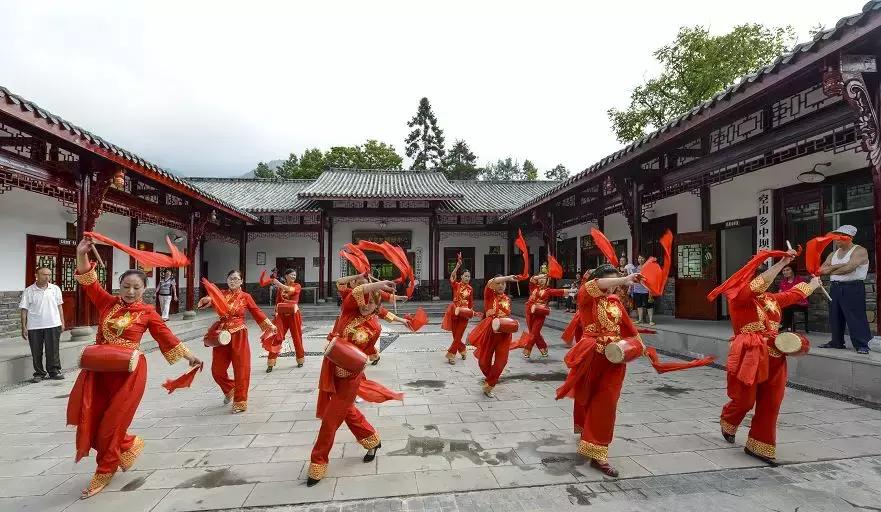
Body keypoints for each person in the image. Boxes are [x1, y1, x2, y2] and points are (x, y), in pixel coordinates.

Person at [68, 237, 201, 498]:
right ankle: (128, 445)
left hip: (129, 374)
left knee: (111, 426)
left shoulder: (148, 312)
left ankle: (104, 471)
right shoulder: (107, 303)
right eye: (126, 286)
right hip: (98, 372)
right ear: (119, 287)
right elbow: (88, 281)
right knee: (93, 422)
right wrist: (81, 253)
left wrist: (190, 356)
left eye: (136, 287)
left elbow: (167, 337)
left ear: (144, 289)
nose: (130, 292)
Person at [709, 248, 820, 465]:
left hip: (776, 357)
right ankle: (728, 420)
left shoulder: (771, 299)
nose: (762, 282)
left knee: (771, 403)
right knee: (745, 401)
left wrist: (813, 284)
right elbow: (759, 284)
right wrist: (781, 263)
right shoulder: (738, 298)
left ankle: (759, 445)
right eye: (756, 278)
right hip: (750, 356)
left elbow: (793, 295)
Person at [307, 280, 410, 486]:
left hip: (350, 377)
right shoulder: (349, 311)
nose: (365, 305)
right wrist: (379, 284)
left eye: (371, 303)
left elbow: (366, 354)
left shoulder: (375, 327)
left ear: (377, 305)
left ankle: (318, 462)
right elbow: (355, 290)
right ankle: (372, 440)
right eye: (363, 301)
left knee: (330, 420)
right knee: (347, 412)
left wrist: (360, 361)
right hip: (331, 368)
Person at [555, 265, 642, 477]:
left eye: (615, 282)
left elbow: (628, 327)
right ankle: (585, 429)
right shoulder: (586, 295)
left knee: (607, 401)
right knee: (587, 395)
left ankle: (598, 451)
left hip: (614, 358)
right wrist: (624, 280)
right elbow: (599, 285)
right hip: (592, 355)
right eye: (610, 282)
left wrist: (639, 345)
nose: (612, 287)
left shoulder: (615, 302)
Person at [198, 270, 276, 412]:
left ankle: (240, 401)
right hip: (221, 336)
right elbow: (211, 298)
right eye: (230, 278)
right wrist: (206, 299)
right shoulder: (221, 294)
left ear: (241, 281)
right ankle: (230, 389)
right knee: (217, 370)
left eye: (235, 279)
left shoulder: (245, 296)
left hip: (239, 334)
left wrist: (270, 325)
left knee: (241, 369)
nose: (232, 281)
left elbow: (256, 311)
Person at [818, 225, 872, 354]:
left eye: (840, 237)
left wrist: (831, 269)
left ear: (850, 237)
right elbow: (821, 270)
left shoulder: (860, 250)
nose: (837, 239)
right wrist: (840, 265)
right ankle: (836, 342)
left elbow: (849, 268)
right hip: (835, 287)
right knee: (835, 315)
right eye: (836, 236)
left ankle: (862, 344)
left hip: (852, 286)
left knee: (855, 315)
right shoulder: (833, 254)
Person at [467, 274, 520, 397]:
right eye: (498, 283)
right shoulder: (489, 295)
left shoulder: (507, 299)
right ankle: (491, 377)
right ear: (493, 286)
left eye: (503, 284)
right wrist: (507, 278)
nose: (501, 285)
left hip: (505, 334)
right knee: (483, 362)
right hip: (490, 332)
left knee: (502, 362)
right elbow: (491, 281)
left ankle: (489, 385)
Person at [19, 266, 65, 382]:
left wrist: (62, 322)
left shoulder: (55, 289)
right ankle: (39, 373)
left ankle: (54, 371)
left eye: (49, 275)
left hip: (53, 324)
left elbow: (60, 307)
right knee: (36, 351)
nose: (47, 277)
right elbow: (24, 309)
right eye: (44, 274)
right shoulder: (29, 291)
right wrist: (23, 326)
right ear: (37, 276)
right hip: (34, 325)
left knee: (53, 350)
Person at [513, 265, 567, 359]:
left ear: (547, 281)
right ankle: (543, 348)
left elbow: (560, 291)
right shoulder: (533, 287)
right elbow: (532, 279)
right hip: (529, 311)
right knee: (533, 332)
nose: (541, 280)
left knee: (534, 332)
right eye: (540, 278)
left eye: (544, 279)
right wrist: (542, 275)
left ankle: (528, 349)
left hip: (540, 312)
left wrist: (573, 290)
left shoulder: (548, 291)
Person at [267, 269, 305, 371]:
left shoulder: (297, 286)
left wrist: (278, 283)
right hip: (282, 316)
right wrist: (276, 313)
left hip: (294, 315)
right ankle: (271, 362)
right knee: (277, 338)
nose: (293, 277)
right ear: (286, 276)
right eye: (291, 275)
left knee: (297, 337)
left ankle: (300, 359)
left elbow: (290, 290)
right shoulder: (280, 288)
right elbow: (277, 302)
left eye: (294, 275)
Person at [442, 260, 473, 364]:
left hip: (464, 314)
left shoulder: (470, 289)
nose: (467, 278)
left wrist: (470, 312)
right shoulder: (457, 285)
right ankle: (463, 350)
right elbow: (452, 277)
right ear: (462, 277)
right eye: (465, 276)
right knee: (456, 336)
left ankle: (451, 355)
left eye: (469, 276)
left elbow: (470, 302)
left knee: (458, 335)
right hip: (455, 312)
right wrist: (457, 266)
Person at [778, 265, 809, 332]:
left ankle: (785, 325)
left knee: (787, 306)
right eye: (783, 271)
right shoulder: (783, 282)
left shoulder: (800, 280)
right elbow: (780, 293)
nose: (785, 272)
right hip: (787, 302)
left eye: (787, 270)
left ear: (793, 271)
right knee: (775, 306)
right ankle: (782, 325)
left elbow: (804, 293)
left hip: (799, 302)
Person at [632, 255, 655, 325]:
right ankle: (640, 319)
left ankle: (651, 320)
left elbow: (651, 278)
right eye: (639, 258)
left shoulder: (648, 268)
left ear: (645, 259)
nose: (640, 259)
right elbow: (633, 278)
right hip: (637, 289)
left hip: (646, 290)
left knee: (649, 305)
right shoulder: (635, 268)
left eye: (642, 258)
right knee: (639, 305)